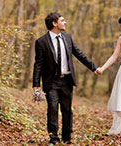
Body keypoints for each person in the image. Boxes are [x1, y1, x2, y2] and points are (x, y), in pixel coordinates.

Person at [32, 12, 98, 145]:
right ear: (54, 23)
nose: (65, 22)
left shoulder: (67, 38)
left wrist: (94, 68)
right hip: (52, 82)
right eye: (62, 20)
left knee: (67, 110)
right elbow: (38, 64)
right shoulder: (41, 42)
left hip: (67, 80)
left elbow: (79, 54)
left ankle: (67, 139)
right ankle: (53, 139)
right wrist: (36, 85)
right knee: (53, 109)